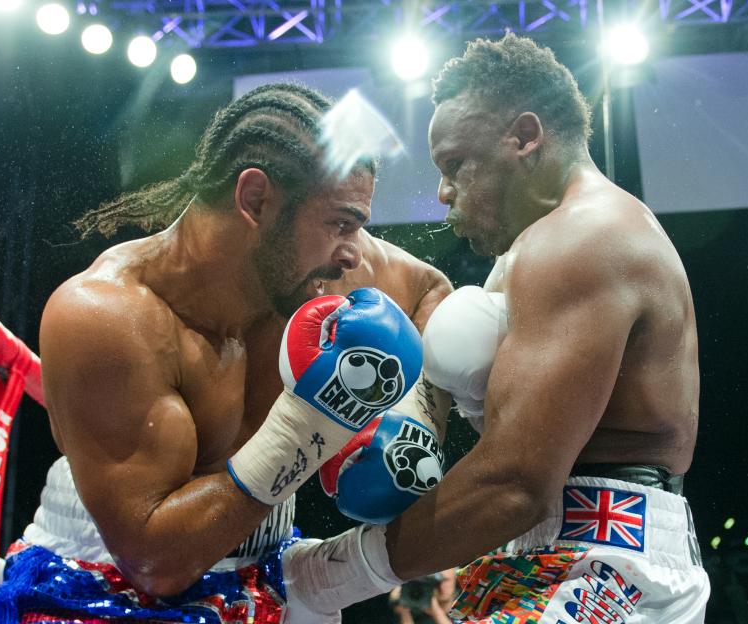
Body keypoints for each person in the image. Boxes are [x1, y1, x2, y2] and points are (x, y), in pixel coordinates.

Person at [281, 33, 711, 623]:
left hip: (602, 558)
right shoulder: (544, 247)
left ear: (525, 137)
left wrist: (324, 574)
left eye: (456, 164)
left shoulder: (585, 236)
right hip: (555, 545)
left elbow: (514, 482)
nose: (443, 191)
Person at [0, 82, 452, 623]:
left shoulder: (322, 272)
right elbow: (154, 564)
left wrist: (412, 419)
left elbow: (431, 290)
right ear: (255, 200)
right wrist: (313, 425)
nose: (353, 253)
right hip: (104, 577)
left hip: (266, 560)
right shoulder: (109, 317)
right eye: (340, 223)